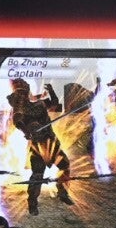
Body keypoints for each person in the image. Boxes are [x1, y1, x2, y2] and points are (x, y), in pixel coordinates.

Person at [7, 79, 75, 215]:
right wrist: (26, 131)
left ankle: (62, 192)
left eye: (24, 93)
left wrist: (51, 91)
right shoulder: (19, 108)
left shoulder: (39, 104)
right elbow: (17, 120)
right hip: (38, 147)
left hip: (52, 143)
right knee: (38, 175)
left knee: (64, 166)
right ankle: (32, 203)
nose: (22, 96)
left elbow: (54, 103)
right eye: (19, 94)